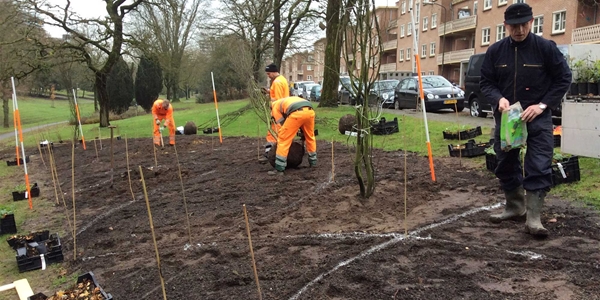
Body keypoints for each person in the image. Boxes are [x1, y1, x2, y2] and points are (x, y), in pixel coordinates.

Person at [480, 3, 571, 237]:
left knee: (539, 163)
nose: (519, 30)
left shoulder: (545, 48)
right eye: (514, 26)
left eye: (524, 24)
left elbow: (563, 78)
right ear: (505, 26)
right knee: (504, 162)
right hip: (508, 117)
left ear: (531, 22)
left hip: (537, 116)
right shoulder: (495, 52)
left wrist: (542, 105)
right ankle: (515, 207)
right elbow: (486, 83)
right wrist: (498, 99)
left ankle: (533, 218)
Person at [268, 96, 316, 176]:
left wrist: (286, 135)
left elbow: (281, 125)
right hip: (310, 111)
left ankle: (279, 169)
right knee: (310, 137)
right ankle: (313, 162)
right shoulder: (285, 101)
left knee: (283, 139)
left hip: (296, 113)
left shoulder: (275, 107)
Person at [262, 63, 290, 161]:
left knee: (273, 133)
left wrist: (269, 105)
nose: (268, 76)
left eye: (269, 73)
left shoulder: (277, 83)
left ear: (274, 72)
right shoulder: (282, 79)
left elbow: (277, 100)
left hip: (277, 112)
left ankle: (270, 153)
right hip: (283, 110)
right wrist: (269, 91)